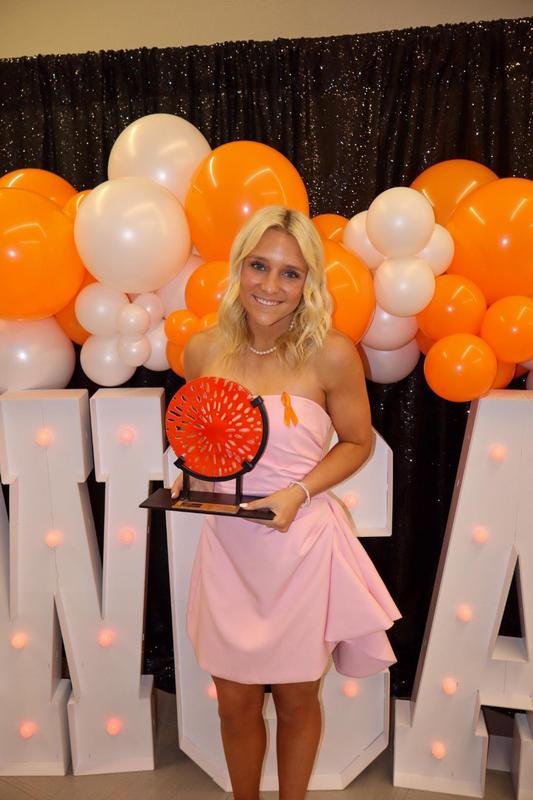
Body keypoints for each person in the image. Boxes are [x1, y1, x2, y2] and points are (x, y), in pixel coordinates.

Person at [171, 205, 400, 800]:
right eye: (259, 266)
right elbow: (206, 436)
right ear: (238, 269)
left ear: (309, 282)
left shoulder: (332, 353)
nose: (271, 286)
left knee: (300, 700)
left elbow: (357, 442)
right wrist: (188, 477)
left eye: (290, 273)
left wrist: (298, 493)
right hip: (229, 550)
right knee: (234, 705)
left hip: (299, 547)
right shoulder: (201, 351)